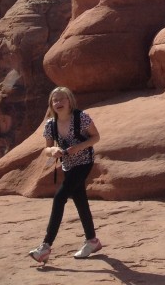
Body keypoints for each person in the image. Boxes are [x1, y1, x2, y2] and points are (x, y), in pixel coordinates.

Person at [28, 86, 102, 264]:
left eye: (62, 99)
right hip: (68, 165)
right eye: (55, 100)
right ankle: (92, 241)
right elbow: (47, 148)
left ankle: (45, 247)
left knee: (60, 197)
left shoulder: (81, 118)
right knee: (80, 200)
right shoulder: (50, 124)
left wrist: (79, 147)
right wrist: (53, 149)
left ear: (70, 101)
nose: (58, 103)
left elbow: (96, 137)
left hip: (84, 162)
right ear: (51, 104)